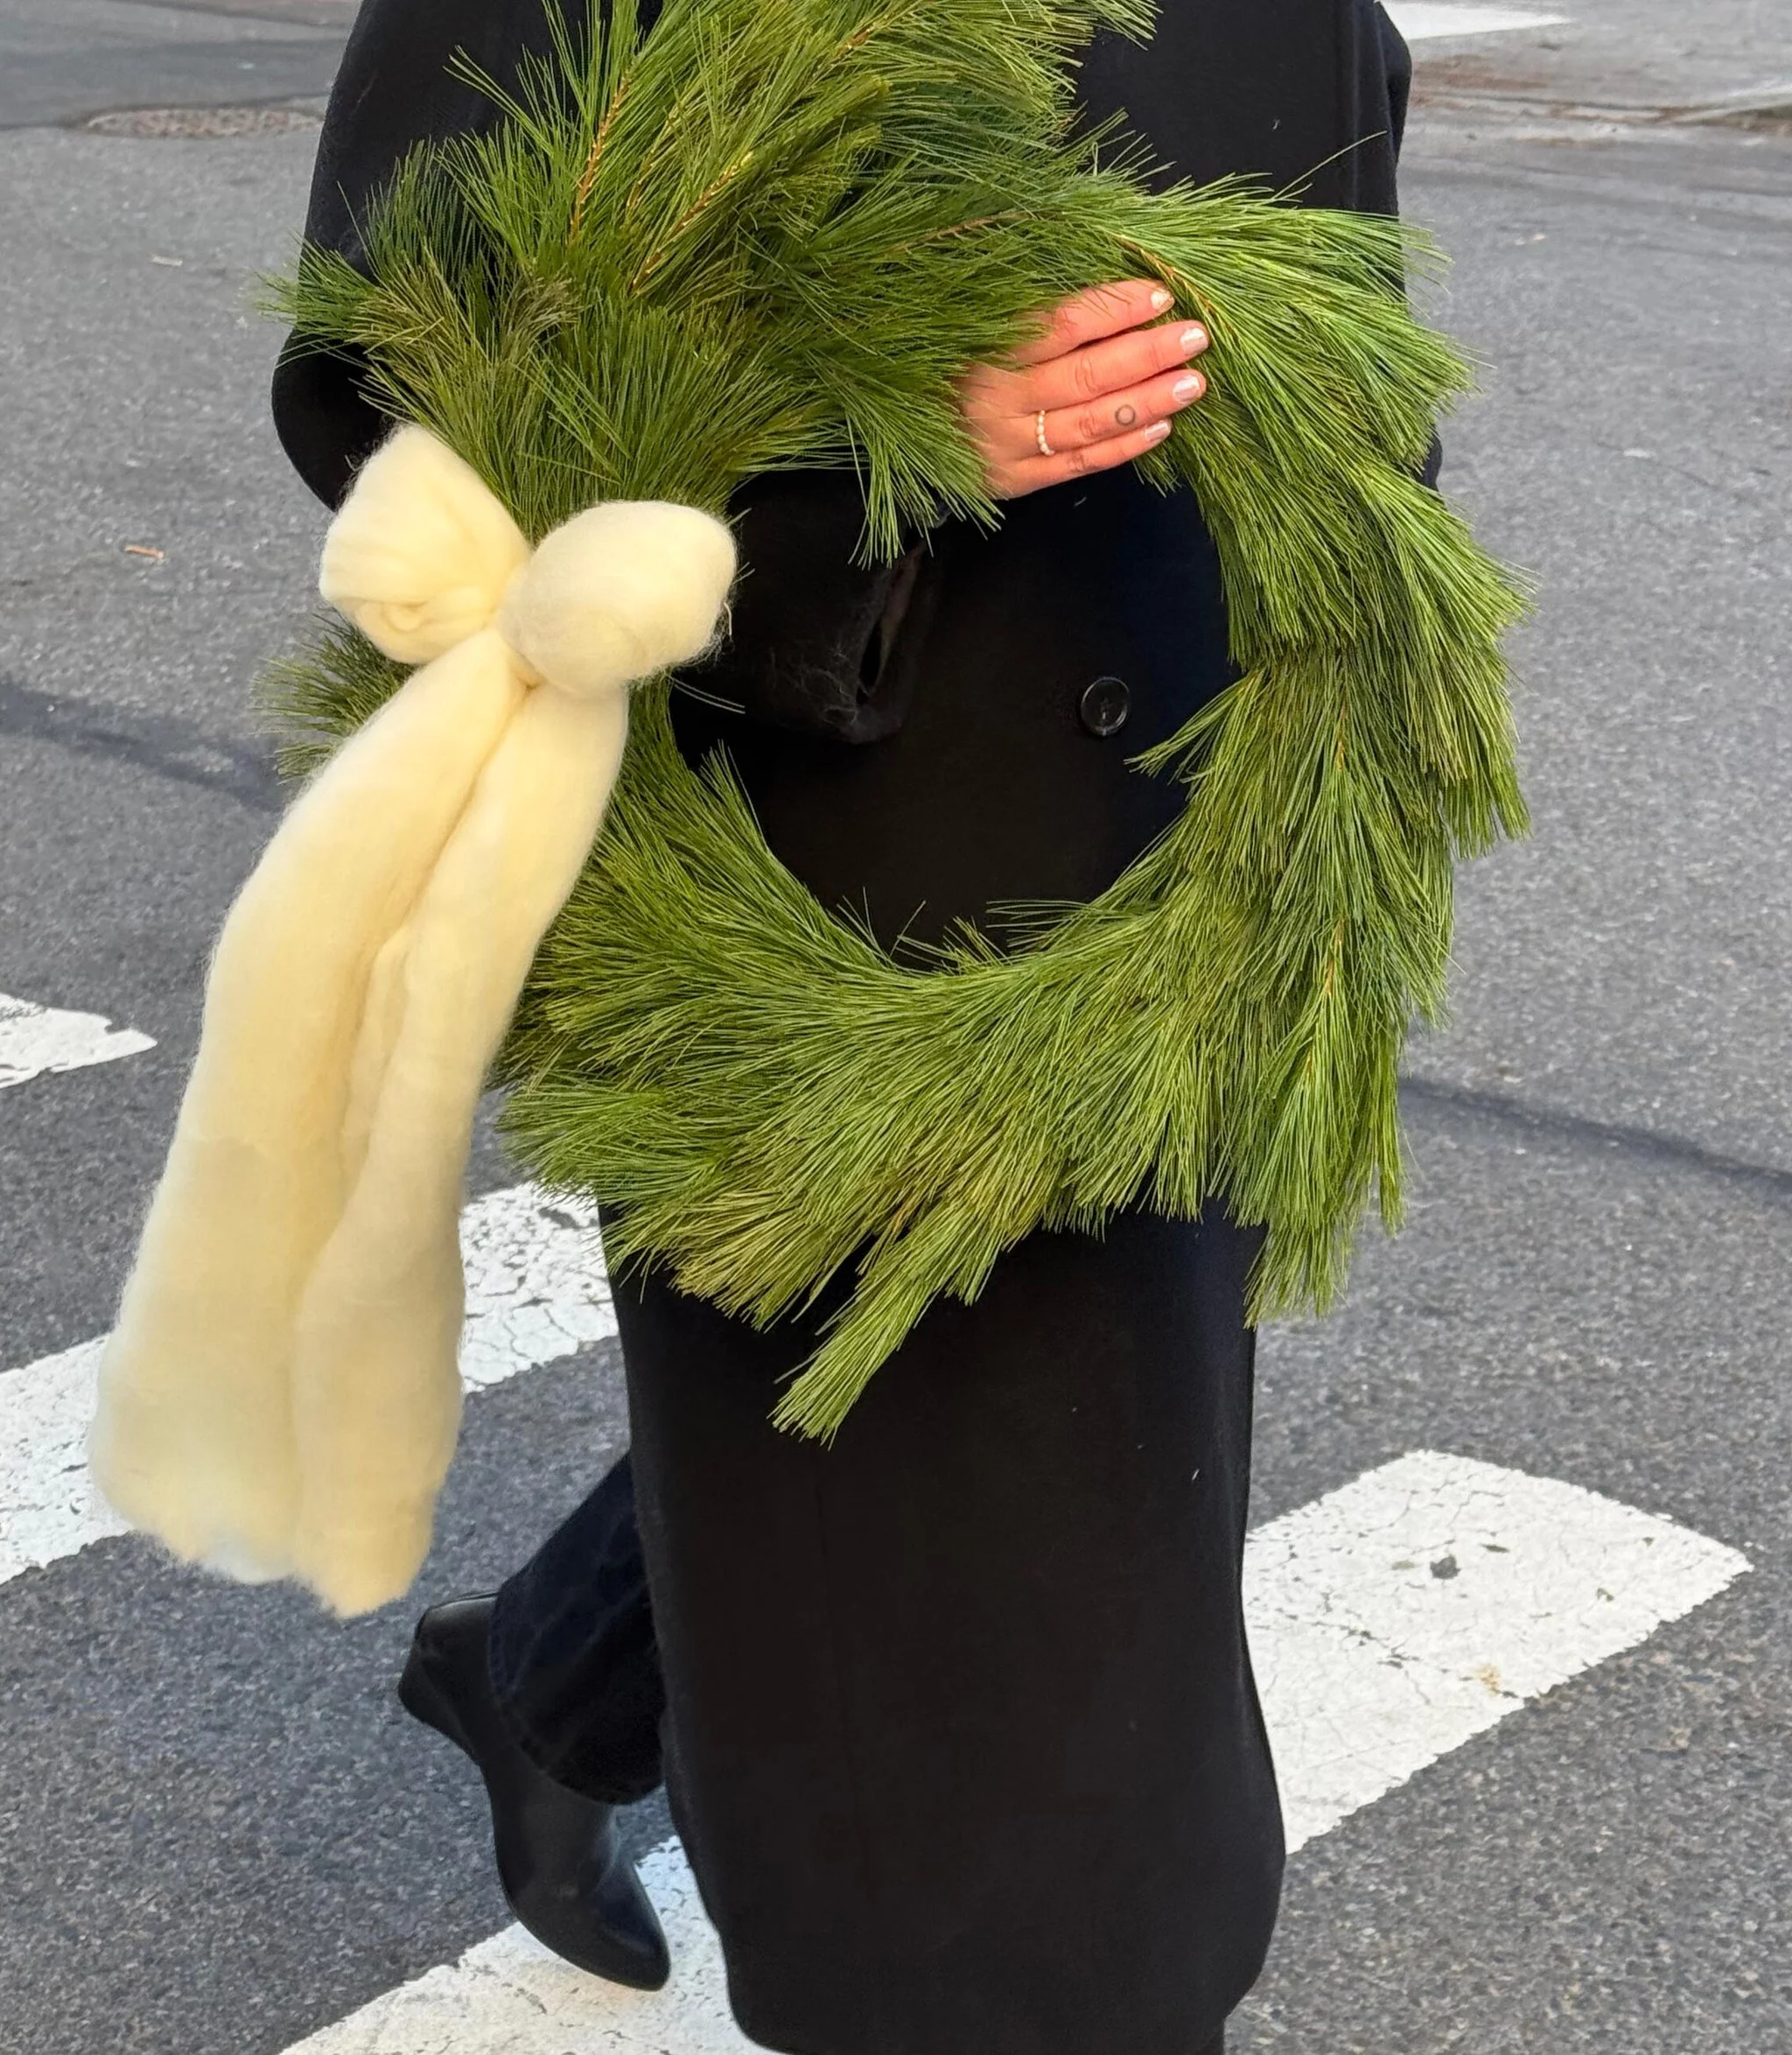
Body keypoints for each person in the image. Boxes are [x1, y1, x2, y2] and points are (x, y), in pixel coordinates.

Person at [274, 2, 1425, 2049]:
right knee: (1000, 1838)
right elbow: (393, 408)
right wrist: (851, 457)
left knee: (1056, 1508)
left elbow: (1350, 319)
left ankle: (550, 1676)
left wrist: (1348, 708)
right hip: (822, 871)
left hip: (1188, 863)